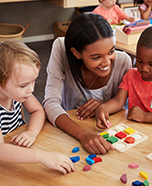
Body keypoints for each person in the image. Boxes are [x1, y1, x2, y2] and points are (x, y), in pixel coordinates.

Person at [0, 40, 75, 176]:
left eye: (33, 81)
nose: (31, 89)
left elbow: (37, 110)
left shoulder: (15, 90)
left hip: (15, 143)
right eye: (24, 85)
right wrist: (42, 156)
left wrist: (32, 132)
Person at [43, 13, 132, 154]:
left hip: (107, 135)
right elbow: (50, 103)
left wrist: (105, 103)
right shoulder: (61, 48)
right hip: (69, 130)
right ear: (76, 53)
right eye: (96, 57)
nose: (107, 62)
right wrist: (83, 135)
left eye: (111, 51)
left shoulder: (123, 62)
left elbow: (125, 106)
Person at [96, 26, 152, 129]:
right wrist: (103, 108)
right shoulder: (131, 75)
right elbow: (118, 101)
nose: (144, 68)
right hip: (134, 130)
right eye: (139, 61)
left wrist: (145, 116)